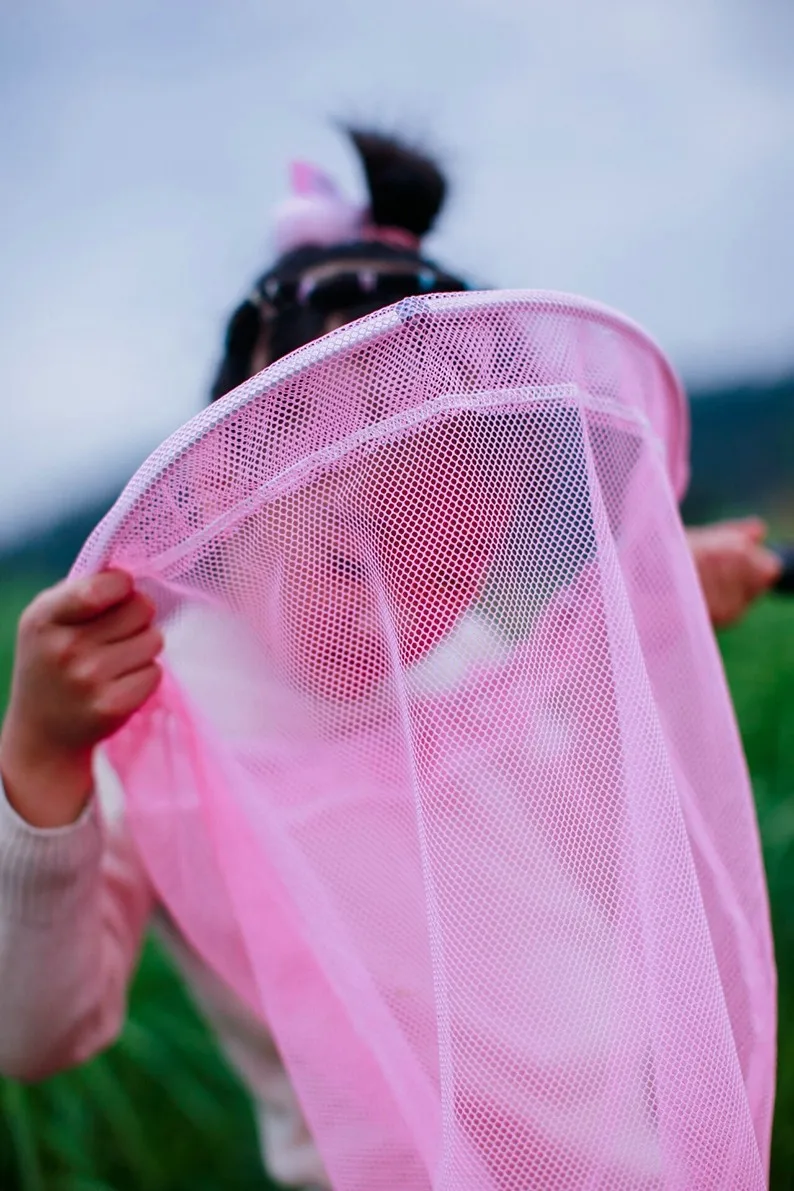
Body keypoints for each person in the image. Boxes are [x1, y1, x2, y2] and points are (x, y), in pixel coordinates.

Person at [0, 129, 782, 1190]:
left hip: (617, 1159)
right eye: (344, 553)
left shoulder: (464, 650)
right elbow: (33, 1032)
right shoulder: (164, 719)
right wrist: (43, 761)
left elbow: (590, 848)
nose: (392, 608)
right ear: (227, 485)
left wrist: (632, 617)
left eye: (437, 552)